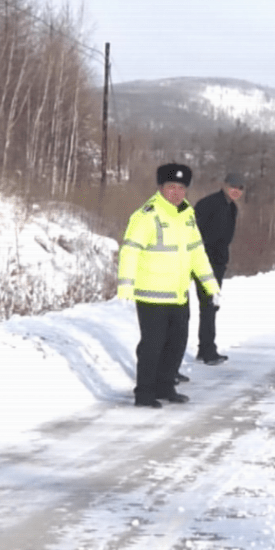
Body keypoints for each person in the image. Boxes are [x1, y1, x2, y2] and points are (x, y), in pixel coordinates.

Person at [118, 163, 220, 408]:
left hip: (178, 294)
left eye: (181, 187)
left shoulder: (187, 215)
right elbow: (130, 251)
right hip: (151, 294)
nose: (176, 192)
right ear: (160, 187)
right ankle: (144, 393)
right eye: (171, 187)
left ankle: (166, 386)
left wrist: (211, 286)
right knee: (152, 346)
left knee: (176, 344)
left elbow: (197, 253)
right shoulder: (147, 215)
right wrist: (125, 286)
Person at [192, 171, 245, 364]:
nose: (236, 191)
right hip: (203, 261)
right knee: (207, 305)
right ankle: (207, 351)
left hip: (218, 263)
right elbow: (193, 230)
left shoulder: (232, 208)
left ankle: (205, 348)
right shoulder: (209, 204)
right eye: (233, 186)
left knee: (211, 306)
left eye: (240, 188)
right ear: (225, 185)